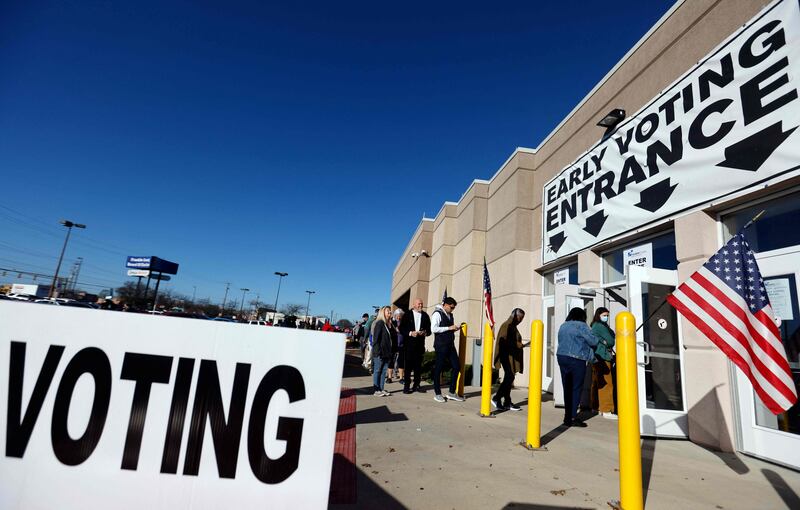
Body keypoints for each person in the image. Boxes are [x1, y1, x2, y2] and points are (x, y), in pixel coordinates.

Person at [556, 307, 599, 427]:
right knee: (576, 388)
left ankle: (567, 415)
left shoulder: (563, 326)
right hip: (576, 358)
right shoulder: (582, 325)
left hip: (562, 357)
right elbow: (593, 341)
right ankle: (572, 417)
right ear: (582, 316)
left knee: (567, 387)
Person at [431, 297, 465, 403]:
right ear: (445, 305)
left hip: (450, 345)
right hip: (441, 345)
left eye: (454, 308)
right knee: (439, 369)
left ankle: (451, 392)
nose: (452, 309)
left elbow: (448, 330)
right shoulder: (437, 313)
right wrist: (449, 328)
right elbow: (433, 329)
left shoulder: (450, 315)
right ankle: (437, 393)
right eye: (451, 307)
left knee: (457, 366)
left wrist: (455, 328)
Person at [493, 308, 527, 411]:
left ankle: (507, 401)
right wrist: (518, 344)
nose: (521, 320)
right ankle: (497, 397)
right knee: (509, 377)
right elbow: (504, 340)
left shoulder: (512, 326)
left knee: (510, 377)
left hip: (510, 356)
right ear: (515, 316)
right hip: (506, 356)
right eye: (520, 318)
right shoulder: (507, 325)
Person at [399, 298, 431, 393]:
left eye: (421, 304)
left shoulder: (425, 315)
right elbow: (401, 329)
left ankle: (416, 385)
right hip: (409, 345)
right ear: (413, 305)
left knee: (418, 367)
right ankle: (406, 386)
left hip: (420, 345)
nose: (420, 305)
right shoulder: (407, 315)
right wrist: (410, 333)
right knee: (408, 367)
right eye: (419, 304)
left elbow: (429, 330)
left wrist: (424, 332)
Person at [590, 307, 617, 419]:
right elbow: (611, 340)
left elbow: (610, 338)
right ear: (599, 315)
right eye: (604, 315)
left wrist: (606, 340)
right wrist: (606, 340)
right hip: (603, 356)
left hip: (596, 356)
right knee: (607, 383)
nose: (606, 317)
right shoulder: (600, 326)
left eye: (607, 315)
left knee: (597, 382)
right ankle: (607, 409)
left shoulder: (594, 325)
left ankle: (596, 407)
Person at [371, 306, 395, 397]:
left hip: (387, 352)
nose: (390, 312)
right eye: (388, 311)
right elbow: (376, 339)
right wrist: (377, 352)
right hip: (380, 352)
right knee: (377, 370)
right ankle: (376, 390)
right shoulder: (379, 323)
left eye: (390, 311)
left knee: (384, 371)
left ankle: (381, 388)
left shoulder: (388, 324)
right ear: (382, 313)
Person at [388, 308, 405, 383]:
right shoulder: (391, 323)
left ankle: (401, 378)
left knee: (401, 361)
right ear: (394, 316)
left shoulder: (404, 323)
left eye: (400, 316)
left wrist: (401, 330)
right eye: (397, 316)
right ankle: (389, 377)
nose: (398, 317)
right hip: (393, 344)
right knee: (391, 360)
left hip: (402, 344)